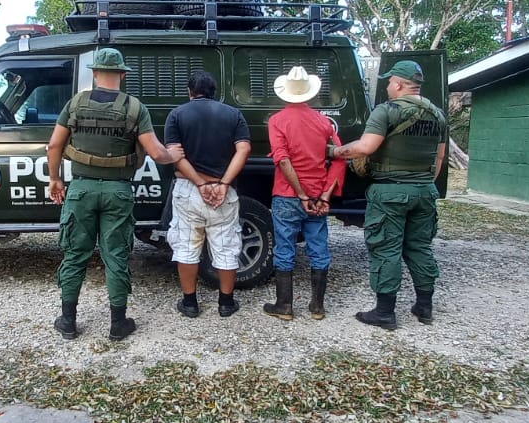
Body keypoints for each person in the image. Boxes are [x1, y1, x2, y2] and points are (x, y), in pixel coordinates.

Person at [47, 48, 184, 341]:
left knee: (75, 254)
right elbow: (156, 152)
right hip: (117, 192)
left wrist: (55, 179)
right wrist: (172, 155)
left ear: (95, 74)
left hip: (81, 189)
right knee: (117, 256)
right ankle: (118, 323)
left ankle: (68, 321)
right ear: (122, 75)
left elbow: (54, 146)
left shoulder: (75, 104)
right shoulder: (135, 108)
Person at [329, 60, 447, 330]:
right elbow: (439, 157)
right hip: (425, 190)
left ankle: (384, 313)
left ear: (398, 83)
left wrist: (334, 152)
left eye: (388, 82)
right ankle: (424, 306)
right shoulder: (438, 114)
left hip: (390, 191)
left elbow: (366, 147)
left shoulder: (386, 111)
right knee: (419, 247)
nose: (387, 87)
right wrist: (423, 181)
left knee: (386, 248)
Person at [164, 71, 251, 318]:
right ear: (215, 92)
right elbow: (244, 149)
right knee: (226, 246)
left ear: (190, 92)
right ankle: (226, 302)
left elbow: (175, 155)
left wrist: (200, 183)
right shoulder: (233, 115)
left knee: (186, 246)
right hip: (224, 191)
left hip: (188, 190)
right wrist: (223, 183)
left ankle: (190, 303)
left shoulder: (177, 115)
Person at [262, 67, 346, 321]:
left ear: (285, 93)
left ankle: (284, 306)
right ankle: (317, 307)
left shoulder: (277, 121)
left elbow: (283, 160)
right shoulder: (324, 122)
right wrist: (323, 197)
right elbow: (341, 159)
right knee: (319, 248)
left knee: (285, 247)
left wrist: (301, 194)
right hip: (318, 196)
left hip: (289, 195)